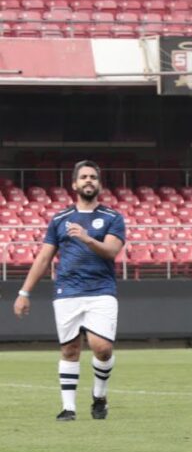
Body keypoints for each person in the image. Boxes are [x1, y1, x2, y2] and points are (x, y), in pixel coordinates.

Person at [13, 160, 125, 421]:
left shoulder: (112, 218)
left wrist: (86, 238)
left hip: (101, 290)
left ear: (99, 184)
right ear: (74, 184)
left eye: (93, 177)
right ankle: (68, 408)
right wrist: (24, 293)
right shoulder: (60, 219)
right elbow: (43, 258)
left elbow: (111, 250)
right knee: (70, 349)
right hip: (68, 291)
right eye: (84, 177)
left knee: (102, 348)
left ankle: (99, 396)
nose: (89, 181)